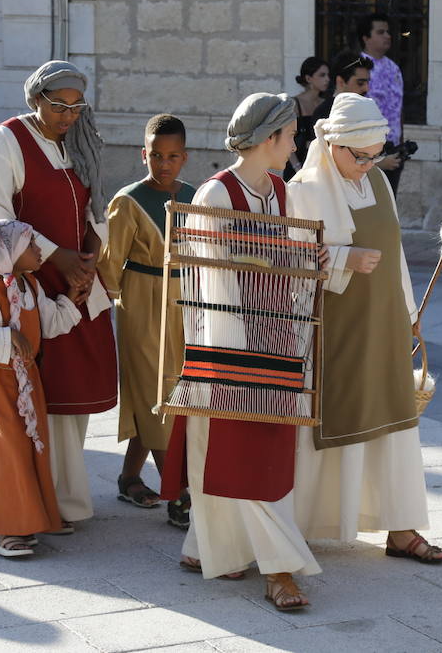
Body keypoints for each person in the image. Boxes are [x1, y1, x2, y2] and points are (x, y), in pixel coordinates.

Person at [160, 92, 320, 610]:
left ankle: (210, 548)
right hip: (228, 345)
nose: (296, 143)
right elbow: (212, 288)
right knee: (236, 450)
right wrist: (234, 361)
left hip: (276, 337)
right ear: (269, 139)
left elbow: (290, 260)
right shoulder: (215, 196)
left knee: (239, 451)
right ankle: (280, 568)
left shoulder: (279, 189)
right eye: (291, 135)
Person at [286, 92, 442, 565]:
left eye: (376, 156)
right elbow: (289, 261)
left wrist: (409, 313)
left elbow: (394, 253)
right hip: (333, 329)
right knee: (333, 420)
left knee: (395, 425)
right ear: (332, 143)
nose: (368, 165)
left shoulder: (377, 182)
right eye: (360, 156)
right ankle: (301, 524)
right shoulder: (304, 189)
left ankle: (401, 528)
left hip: (382, 323)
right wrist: (343, 259)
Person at [0, 61, 117, 532]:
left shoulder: (78, 142)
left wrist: (89, 261)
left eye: (77, 106)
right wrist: (59, 260)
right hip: (30, 285)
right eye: (59, 105)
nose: (68, 115)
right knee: (36, 394)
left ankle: (67, 497)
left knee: (71, 397)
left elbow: (97, 210)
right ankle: (34, 499)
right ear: (36, 98)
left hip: (75, 285)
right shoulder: (6, 142)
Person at [0, 219, 83, 558]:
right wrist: (6, 337)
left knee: (32, 448)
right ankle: (5, 529)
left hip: (28, 382)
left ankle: (29, 520)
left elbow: (49, 324)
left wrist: (71, 299)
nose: (38, 250)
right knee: (7, 451)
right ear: (10, 252)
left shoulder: (32, 286)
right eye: (31, 245)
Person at [96, 114, 195, 527]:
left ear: (185, 158)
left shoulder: (196, 196)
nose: (164, 164)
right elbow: (109, 264)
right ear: (144, 154)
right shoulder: (128, 200)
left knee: (175, 389)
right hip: (141, 303)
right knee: (156, 389)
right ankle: (179, 493)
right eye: (156, 155)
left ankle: (130, 476)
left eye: (172, 156)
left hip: (186, 303)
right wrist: (117, 307)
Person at [357, 13, 406, 192]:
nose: (387, 36)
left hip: (392, 145)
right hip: (366, 147)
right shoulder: (357, 68)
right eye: (380, 32)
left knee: (389, 204)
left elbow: (399, 107)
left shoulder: (394, 68)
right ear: (366, 38)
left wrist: (400, 142)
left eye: (388, 31)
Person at [285, 56, 329, 179]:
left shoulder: (325, 104)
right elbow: (286, 138)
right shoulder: (294, 104)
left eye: (327, 75)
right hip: (296, 167)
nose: (327, 79)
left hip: (319, 167)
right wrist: (298, 168)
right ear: (309, 78)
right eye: (322, 75)